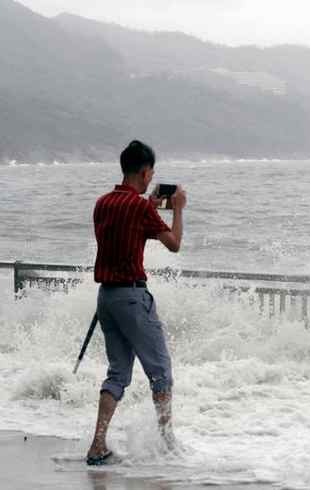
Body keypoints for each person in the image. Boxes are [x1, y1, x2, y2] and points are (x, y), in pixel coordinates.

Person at [86, 140, 186, 465]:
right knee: (161, 372)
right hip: (131, 296)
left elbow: (123, 233)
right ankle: (167, 444)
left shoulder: (102, 203)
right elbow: (173, 245)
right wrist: (179, 209)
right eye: (150, 173)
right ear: (145, 173)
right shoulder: (141, 208)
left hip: (106, 298)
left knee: (117, 373)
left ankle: (98, 443)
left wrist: (150, 207)